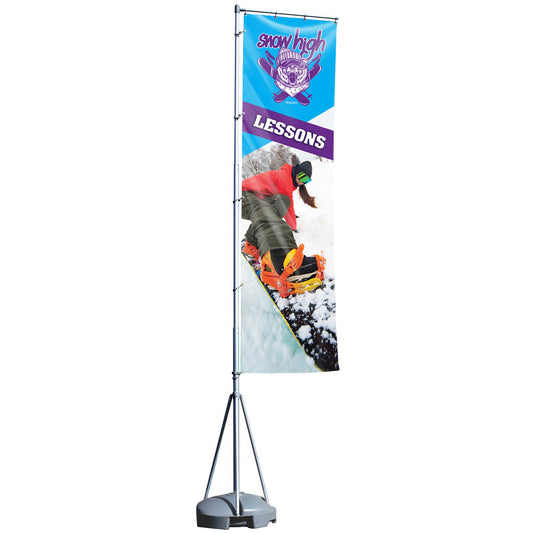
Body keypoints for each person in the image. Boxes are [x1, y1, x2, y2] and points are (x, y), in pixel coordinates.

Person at [241, 160, 325, 297]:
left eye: (306, 180)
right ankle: (281, 261)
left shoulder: (289, 179)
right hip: (242, 195)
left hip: (257, 197)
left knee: (283, 201)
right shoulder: (284, 178)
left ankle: (251, 244)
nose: (302, 182)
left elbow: (287, 203)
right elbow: (290, 209)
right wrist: (292, 226)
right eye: (302, 177)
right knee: (270, 218)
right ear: (296, 172)